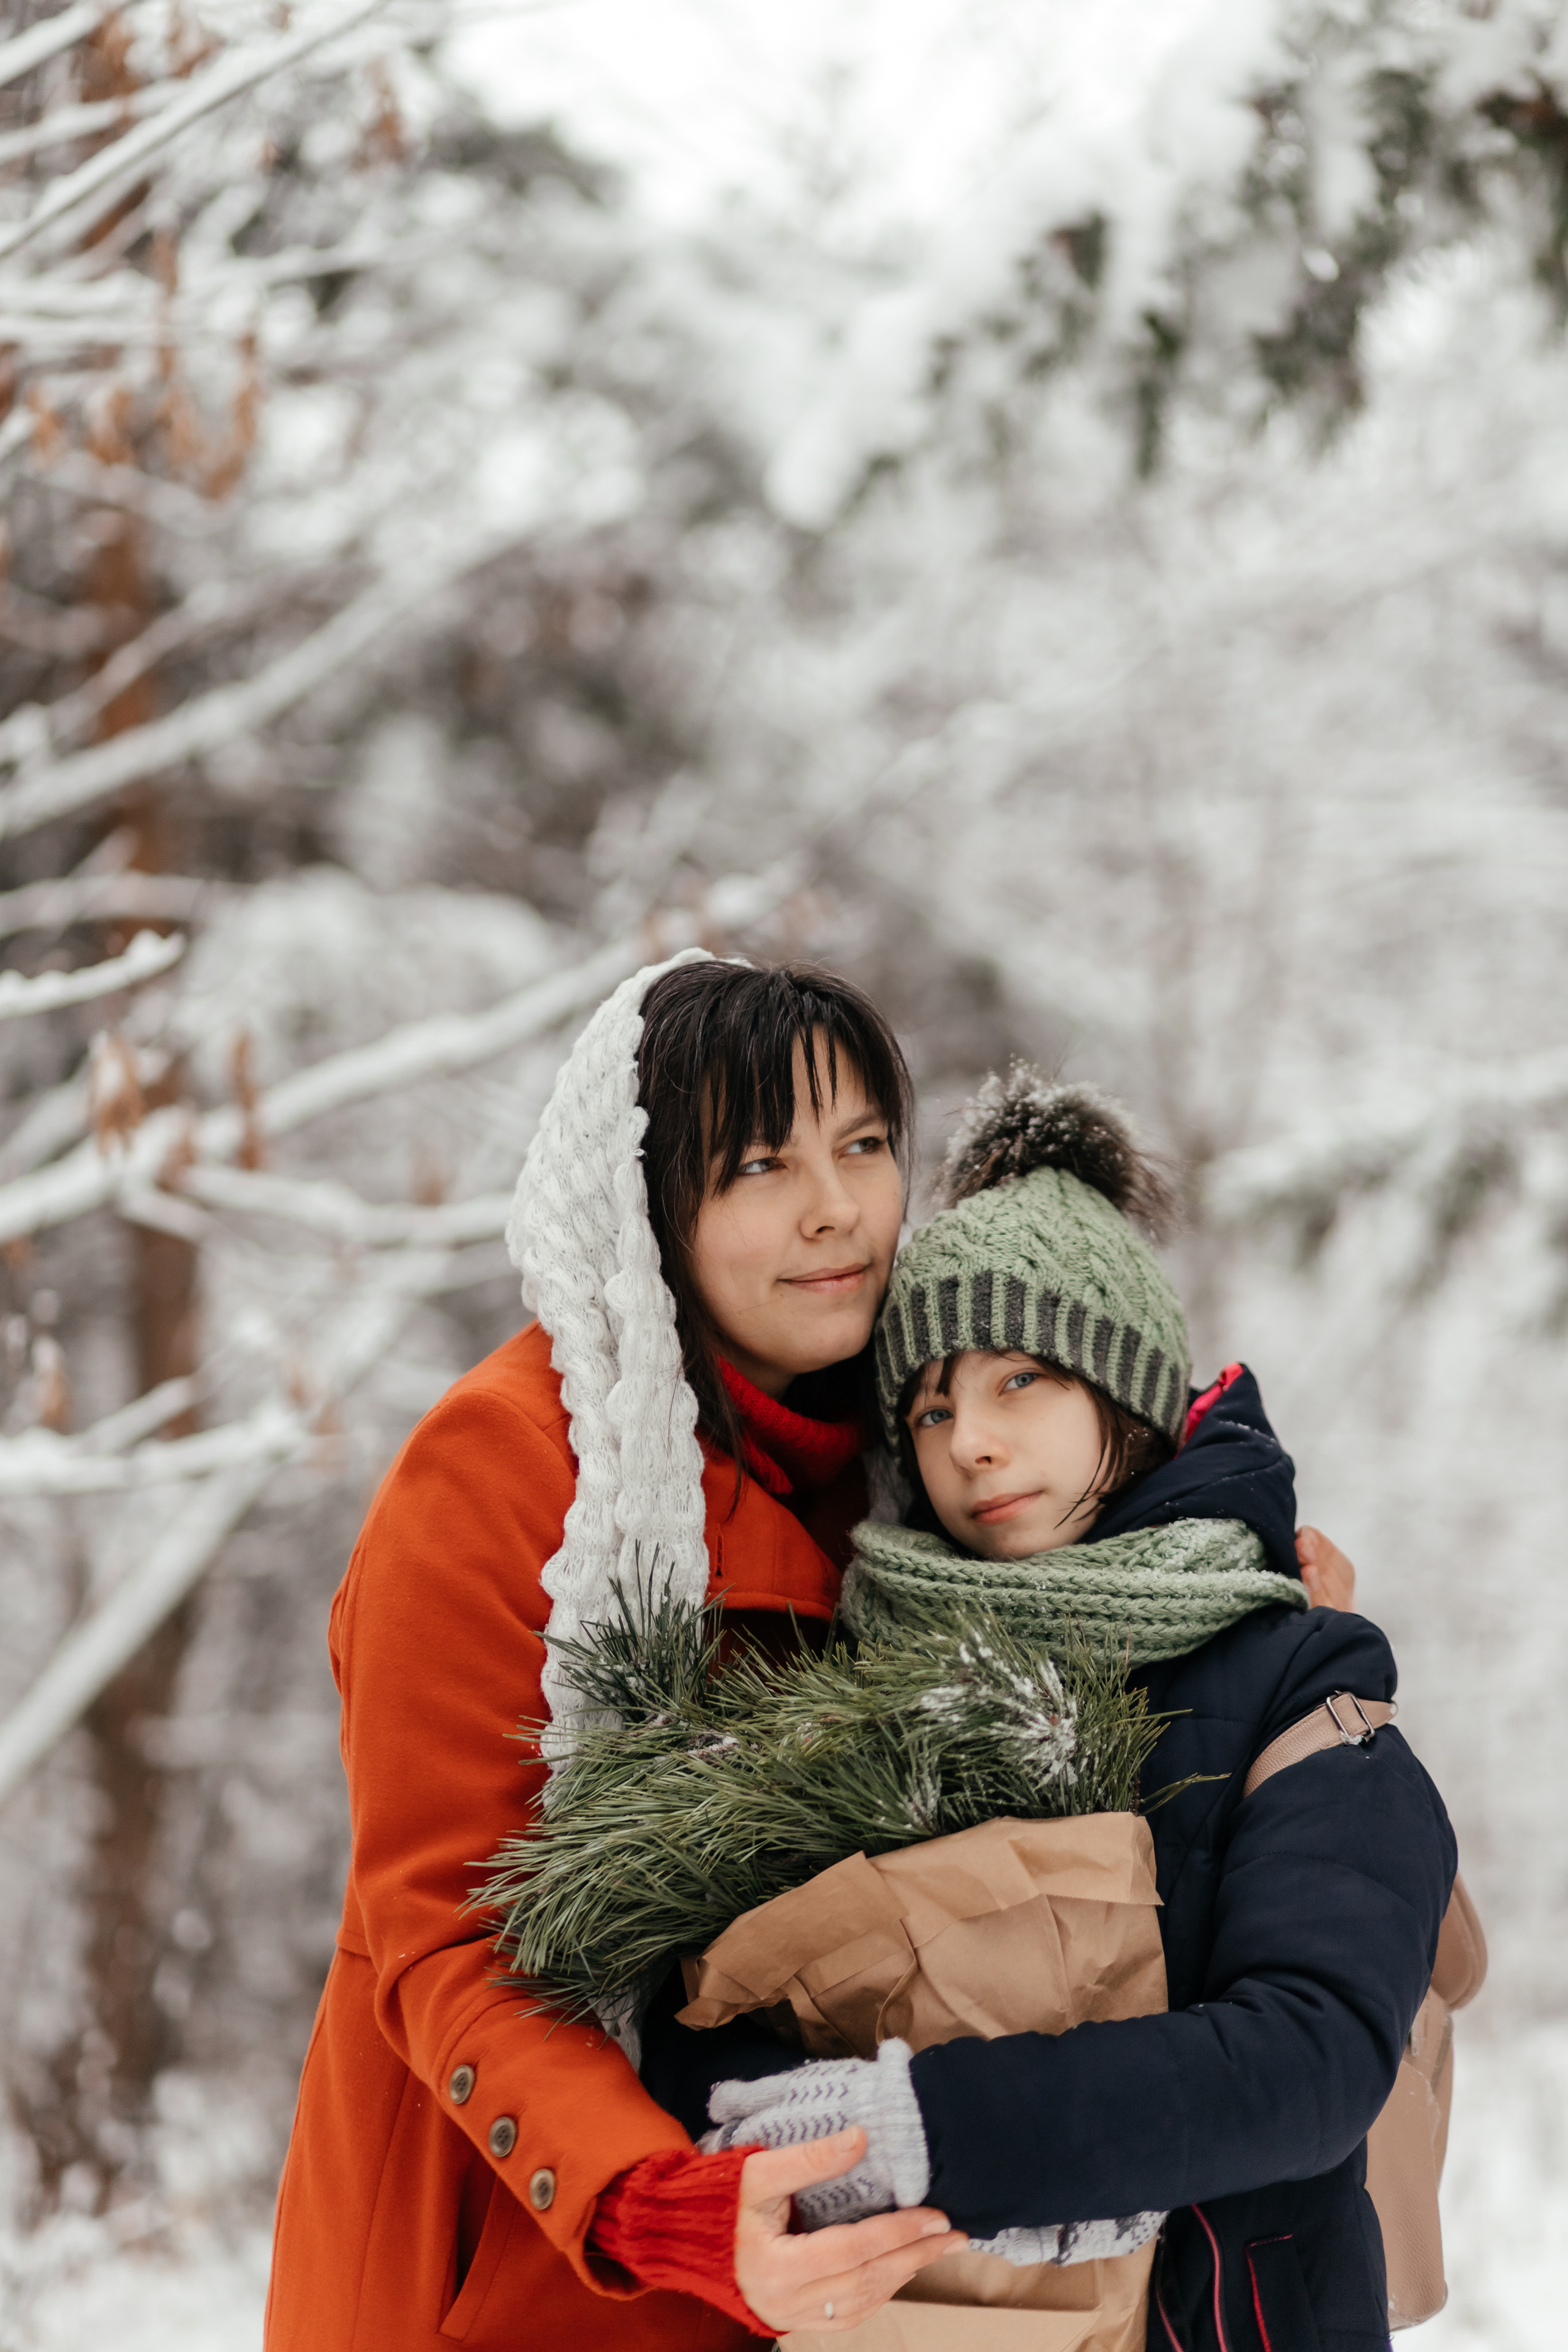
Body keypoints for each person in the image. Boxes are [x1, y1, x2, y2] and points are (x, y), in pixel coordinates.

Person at [263, 956, 1363, 2350]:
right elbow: (445, 1939)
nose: (833, 1208)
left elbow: (1117, 1542)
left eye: (860, 1148)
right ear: (654, 1204)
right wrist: (657, 2198)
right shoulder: (497, 1473)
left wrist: (1252, 1571)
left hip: (847, 2250)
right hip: (541, 2241)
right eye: (759, 1166)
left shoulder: (925, 1457)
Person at [698, 1067, 1455, 2352]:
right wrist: (820, 2131)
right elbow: (715, 2030)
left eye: (1018, 1384)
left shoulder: (1292, 1668)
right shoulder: (868, 1682)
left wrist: (934, 2133)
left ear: (1125, 1394)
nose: (967, 1445)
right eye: (929, 1406)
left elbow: (1312, 2058)